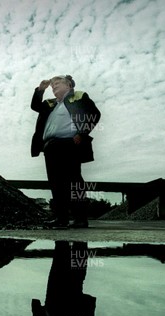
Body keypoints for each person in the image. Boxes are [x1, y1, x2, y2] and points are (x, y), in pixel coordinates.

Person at [30, 75, 101, 228]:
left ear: (68, 84)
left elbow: (94, 114)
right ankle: (60, 218)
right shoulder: (50, 103)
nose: (53, 86)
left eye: (57, 83)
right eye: (52, 84)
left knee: (74, 182)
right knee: (56, 184)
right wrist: (40, 90)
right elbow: (35, 106)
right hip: (50, 147)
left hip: (69, 145)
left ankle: (80, 219)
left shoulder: (78, 96)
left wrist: (82, 133)